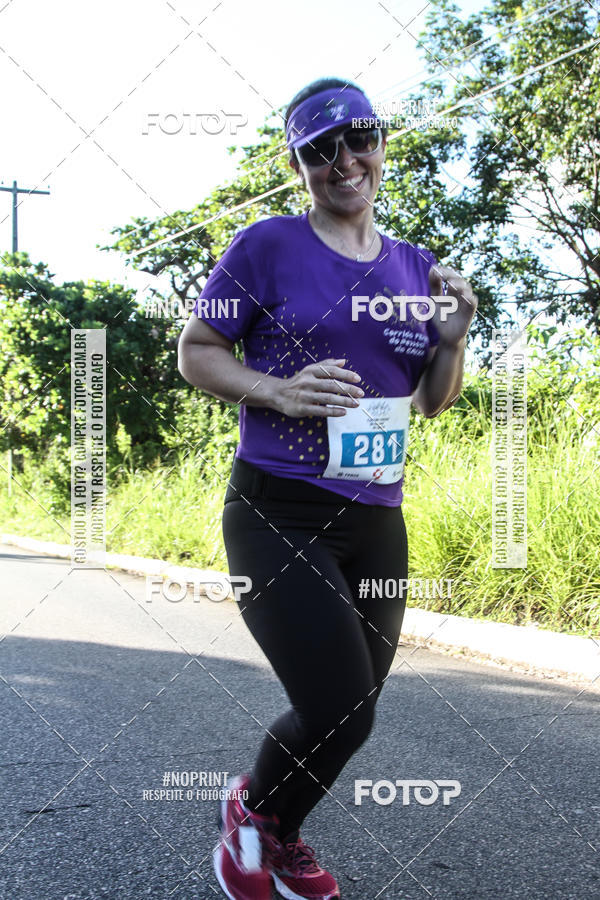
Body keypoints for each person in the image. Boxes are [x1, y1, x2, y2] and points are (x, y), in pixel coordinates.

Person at [178, 77, 477, 900]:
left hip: (377, 518)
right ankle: (249, 815)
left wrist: (450, 341)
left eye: (358, 139)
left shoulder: (416, 266)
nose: (345, 161)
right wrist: (273, 390)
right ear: (300, 164)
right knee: (337, 697)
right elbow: (196, 349)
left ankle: (276, 824)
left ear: (381, 144)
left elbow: (428, 399)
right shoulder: (268, 247)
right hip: (277, 507)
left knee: (353, 716)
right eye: (321, 150)